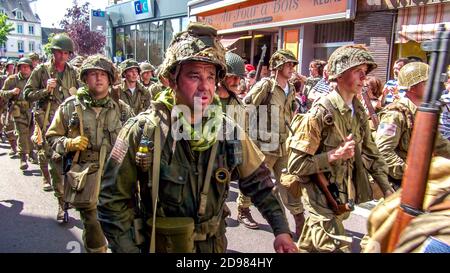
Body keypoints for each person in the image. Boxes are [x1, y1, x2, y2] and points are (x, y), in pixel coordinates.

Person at [97, 22, 297, 253]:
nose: (205, 87)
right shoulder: (143, 131)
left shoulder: (228, 131)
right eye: (194, 76)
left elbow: (260, 184)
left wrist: (281, 230)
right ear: (172, 79)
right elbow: (112, 202)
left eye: (211, 77)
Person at [287, 45, 394, 252]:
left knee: (310, 245)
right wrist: (334, 154)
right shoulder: (319, 113)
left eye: (365, 72)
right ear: (340, 75)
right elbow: (295, 164)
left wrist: (387, 190)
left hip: (343, 193)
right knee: (336, 246)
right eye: (358, 72)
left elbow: (372, 154)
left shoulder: (359, 111)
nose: (364, 78)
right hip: (320, 194)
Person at [46, 54, 123, 253]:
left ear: (110, 79)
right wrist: (70, 143)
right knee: (92, 223)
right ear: (85, 78)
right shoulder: (70, 107)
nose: (98, 78)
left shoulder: (121, 109)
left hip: (115, 175)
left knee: (120, 226)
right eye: (93, 74)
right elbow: (52, 137)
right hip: (85, 174)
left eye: (103, 75)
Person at [244, 49, 305, 238]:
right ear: (277, 66)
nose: (292, 68)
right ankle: (243, 208)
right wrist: (245, 138)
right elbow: (246, 108)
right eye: (288, 64)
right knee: (255, 180)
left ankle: (299, 219)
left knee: (289, 182)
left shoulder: (291, 88)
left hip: (284, 143)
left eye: (293, 65)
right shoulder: (266, 86)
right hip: (264, 143)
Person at [24, 33, 81, 220]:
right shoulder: (41, 71)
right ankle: (61, 203)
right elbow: (27, 94)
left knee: (72, 162)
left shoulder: (73, 72)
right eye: (60, 52)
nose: (63, 57)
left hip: (70, 124)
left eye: (66, 53)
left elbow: (81, 93)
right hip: (49, 124)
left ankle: (70, 197)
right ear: (53, 52)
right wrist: (44, 90)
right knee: (56, 163)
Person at [375, 62, 450, 189]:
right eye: (425, 83)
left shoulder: (423, 113)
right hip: (397, 183)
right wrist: (410, 173)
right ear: (412, 87)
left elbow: (439, 143)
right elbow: (383, 151)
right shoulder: (396, 114)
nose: (431, 87)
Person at [217, 51, 259, 229]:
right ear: (221, 78)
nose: (237, 82)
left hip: (227, 164)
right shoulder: (205, 101)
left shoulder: (240, 105)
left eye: (238, 78)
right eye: (232, 77)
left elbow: (245, 135)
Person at [0, 58, 37, 170]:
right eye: (22, 66)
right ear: (19, 68)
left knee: (31, 133)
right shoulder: (12, 79)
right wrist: (11, 92)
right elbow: (2, 93)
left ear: (31, 68)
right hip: (18, 110)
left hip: (32, 110)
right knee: (22, 133)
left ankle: (31, 152)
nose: (25, 69)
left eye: (27, 67)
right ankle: (23, 158)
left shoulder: (34, 79)